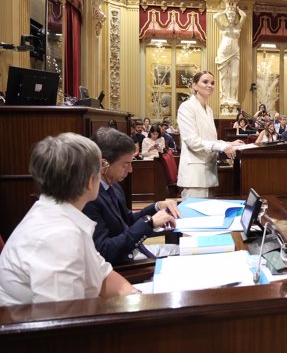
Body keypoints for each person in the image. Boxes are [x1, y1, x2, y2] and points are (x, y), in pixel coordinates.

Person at [0, 133, 135, 305]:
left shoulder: (58, 213)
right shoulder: (58, 236)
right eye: (100, 166)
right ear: (89, 181)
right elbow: (62, 319)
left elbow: (102, 274)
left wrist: (136, 298)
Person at [82, 128, 181, 264]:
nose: (131, 169)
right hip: (125, 264)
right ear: (103, 164)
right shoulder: (88, 198)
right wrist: (149, 223)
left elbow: (127, 221)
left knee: (191, 250)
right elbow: (105, 251)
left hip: (136, 250)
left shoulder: (114, 186)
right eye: (126, 164)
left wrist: (158, 207)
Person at [177, 70, 244, 199]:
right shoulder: (186, 107)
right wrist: (221, 146)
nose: (210, 85)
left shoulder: (209, 110)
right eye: (205, 82)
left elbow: (209, 140)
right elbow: (193, 142)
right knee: (195, 217)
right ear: (194, 86)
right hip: (195, 174)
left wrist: (229, 143)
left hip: (209, 170)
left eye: (212, 83)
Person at [214, 1, 246, 105]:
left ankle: (233, 98)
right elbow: (215, 18)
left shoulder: (238, 27)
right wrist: (224, 11)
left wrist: (237, 9)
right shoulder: (223, 27)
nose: (231, 17)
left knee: (235, 75)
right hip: (223, 53)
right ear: (227, 17)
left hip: (235, 52)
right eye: (229, 15)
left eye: (233, 15)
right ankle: (225, 98)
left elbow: (244, 16)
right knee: (224, 77)